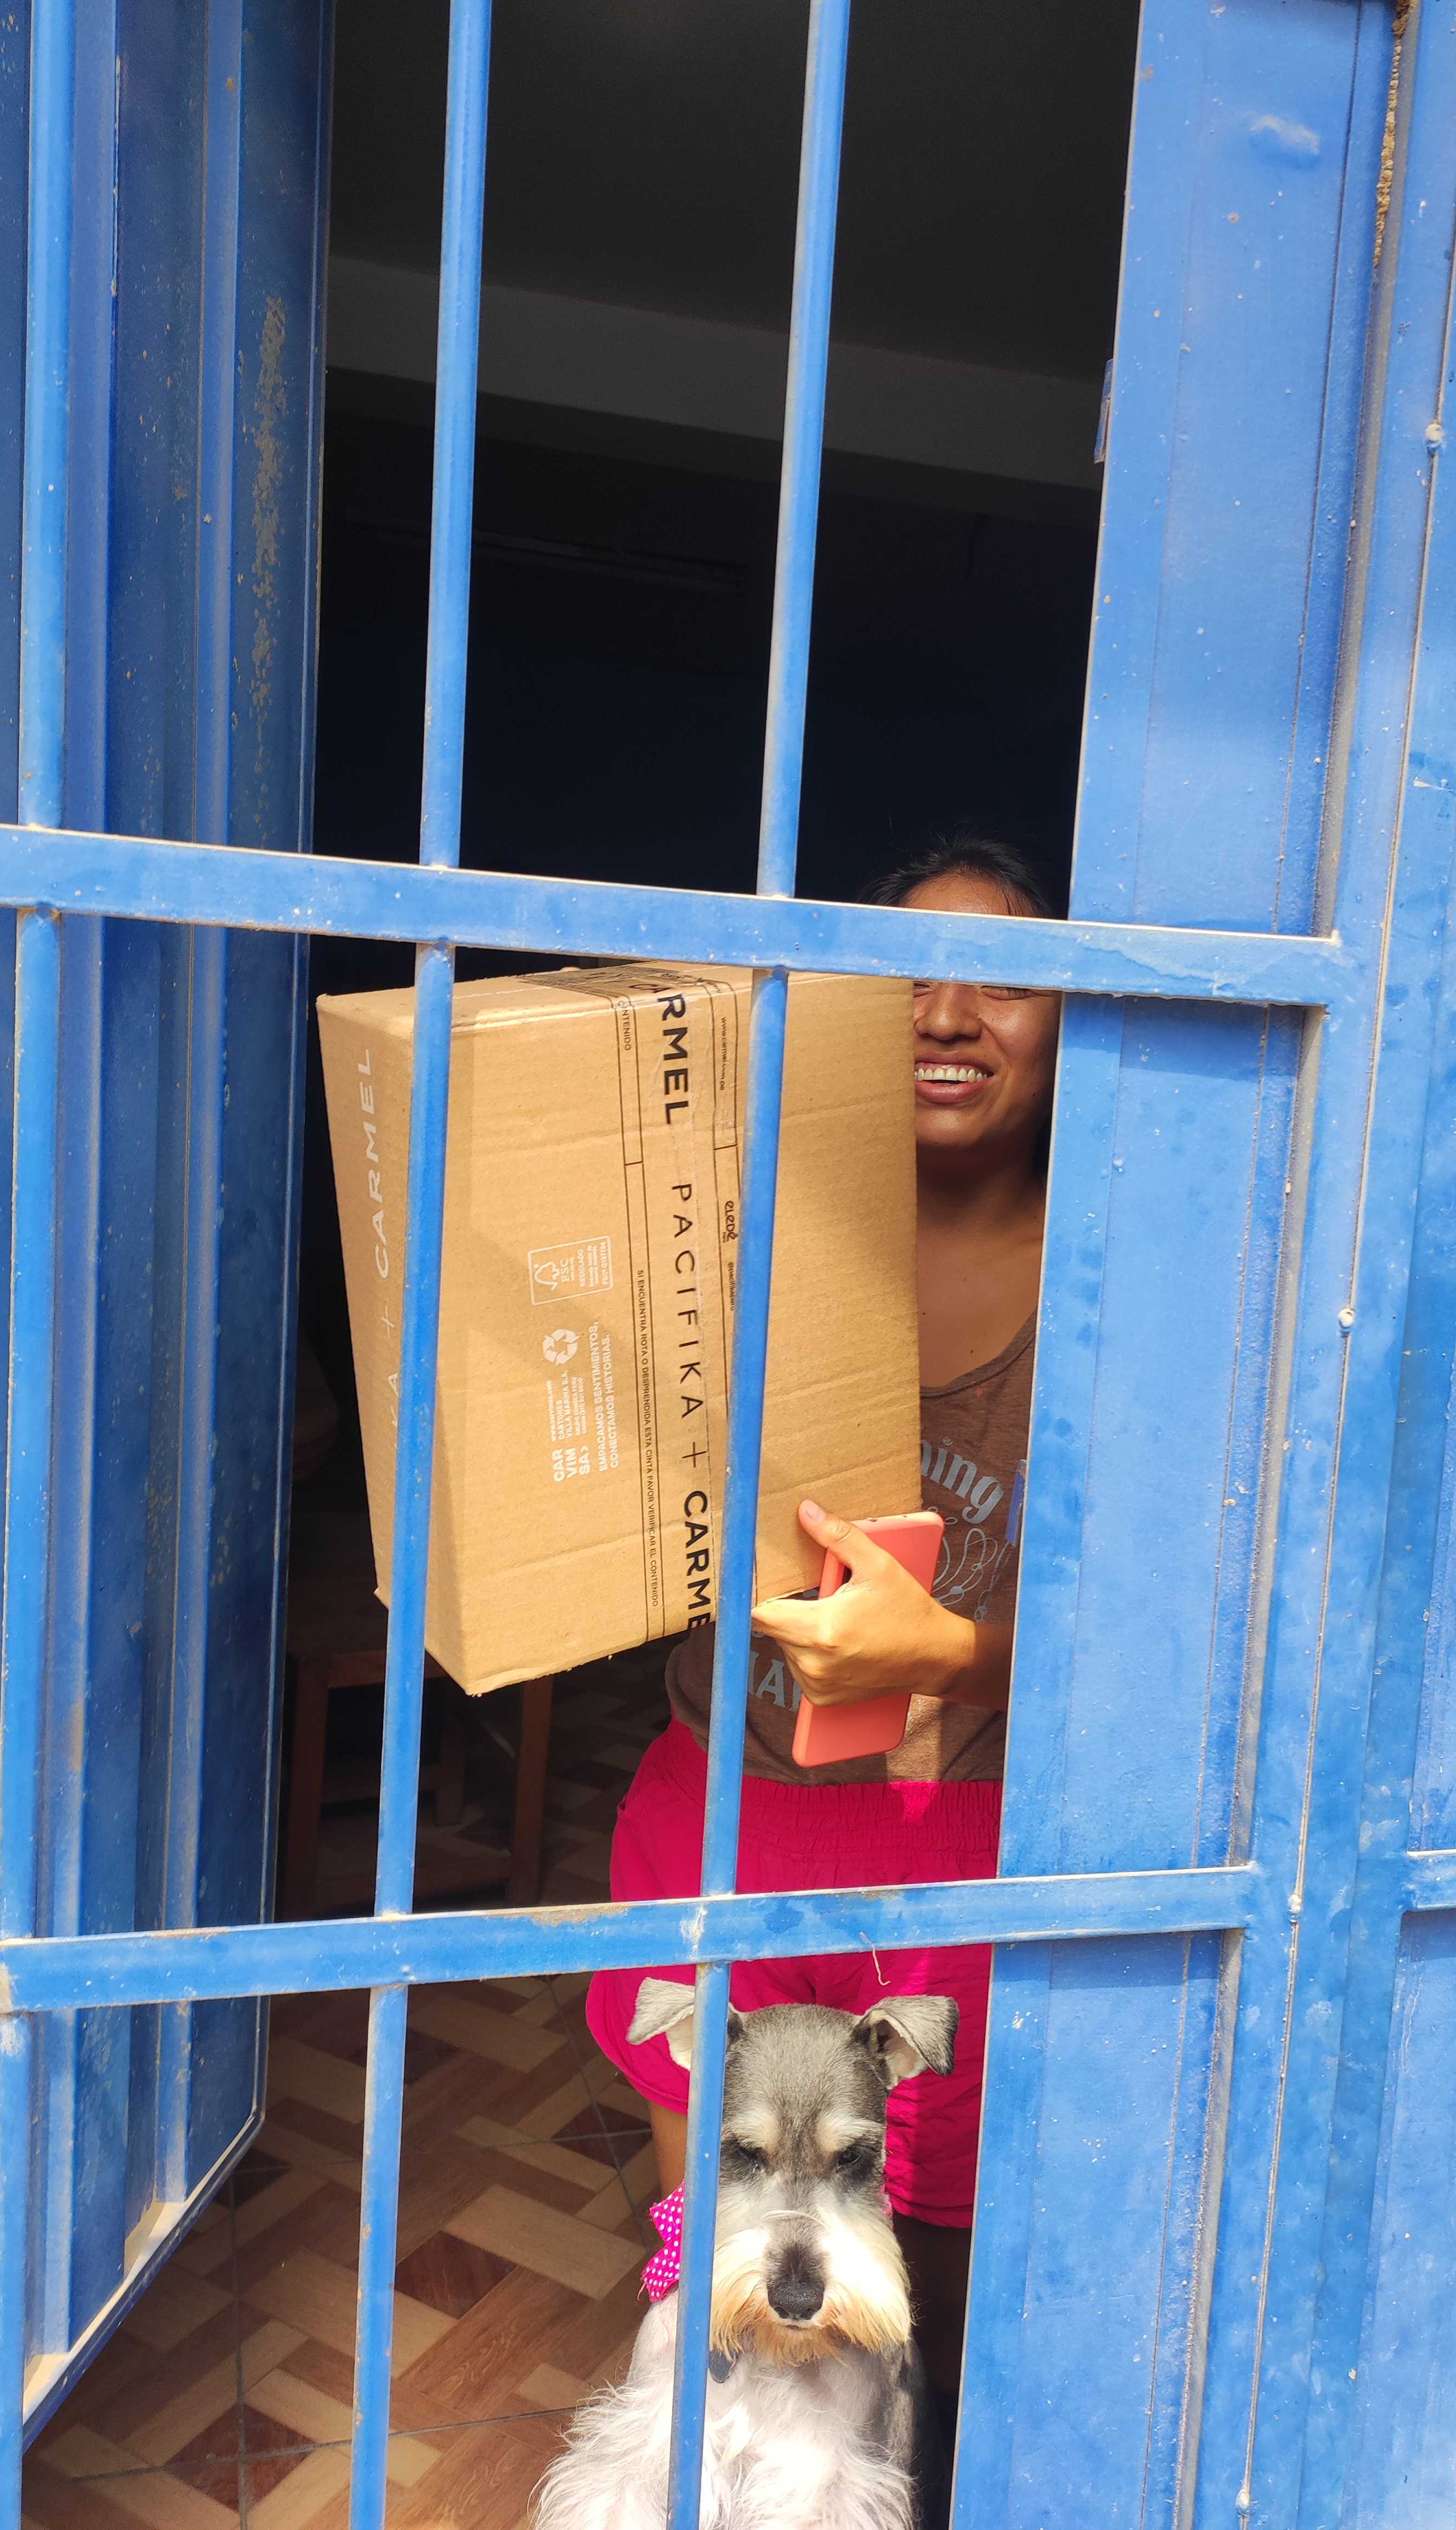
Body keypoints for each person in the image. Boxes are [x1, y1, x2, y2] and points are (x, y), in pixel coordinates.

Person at [585, 834, 1060, 2400]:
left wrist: (948, 1657)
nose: (949, 1013)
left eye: (1003, 977)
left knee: (929, 2306)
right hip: (729, 1810)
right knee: (719, 2284)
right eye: (904, 976)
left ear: (1072, 1010)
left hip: (968, 1848)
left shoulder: (1121, 1284)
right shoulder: (731, 1234)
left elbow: (1176, 1643)